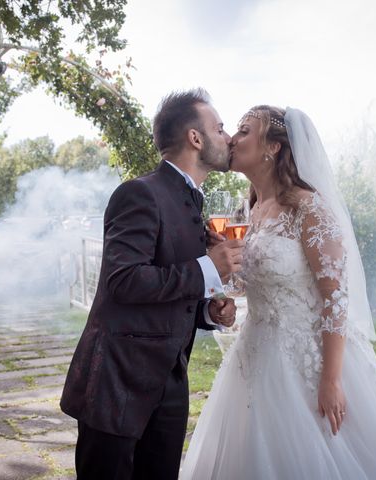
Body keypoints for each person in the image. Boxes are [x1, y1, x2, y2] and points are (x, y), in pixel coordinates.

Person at [180, 106, 376, 479]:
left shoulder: (309, 207)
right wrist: (224, 263)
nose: (233, 138)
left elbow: (335, 297)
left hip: (307, 362)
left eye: (245, 130)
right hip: (256, 354)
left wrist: (330, 379)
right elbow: (265, 280)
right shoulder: (256, 208)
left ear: (274, 147)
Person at [60, 88, 245, 480]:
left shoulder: (191, 202)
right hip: (118, 383)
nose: (227, 137)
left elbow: (166, 284)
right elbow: (124, 280)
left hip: (170, 384)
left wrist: (207, 311)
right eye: (220, 127)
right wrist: (207, 270)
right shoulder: (140, 193)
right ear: (195, 138)